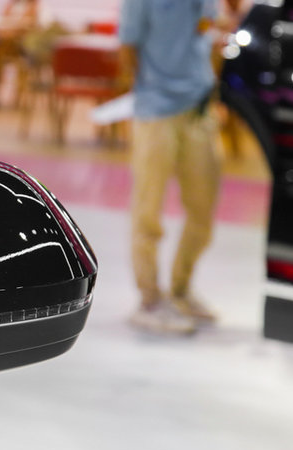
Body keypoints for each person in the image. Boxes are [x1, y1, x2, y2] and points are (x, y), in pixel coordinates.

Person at [119, 0, 220, 334]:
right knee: (148, 211)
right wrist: (146, 95)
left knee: (203, 210)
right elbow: (127, 48)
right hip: (156, 112)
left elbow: (207, 33)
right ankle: (149, 299)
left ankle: (181, 289)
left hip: (199, 109)